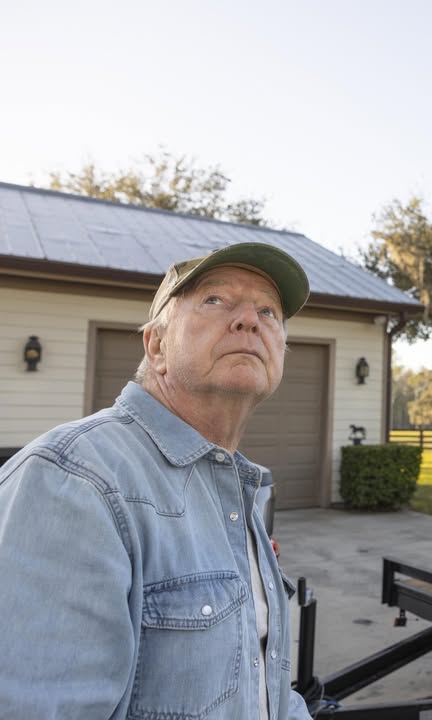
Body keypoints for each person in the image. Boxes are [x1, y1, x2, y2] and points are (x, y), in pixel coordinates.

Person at [0, 242, 313, 719]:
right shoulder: (73, 481)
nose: (249, 320)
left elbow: (264, 683)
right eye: (216, 300)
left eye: (268, 311)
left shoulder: (237, 485)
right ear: (157, 345)